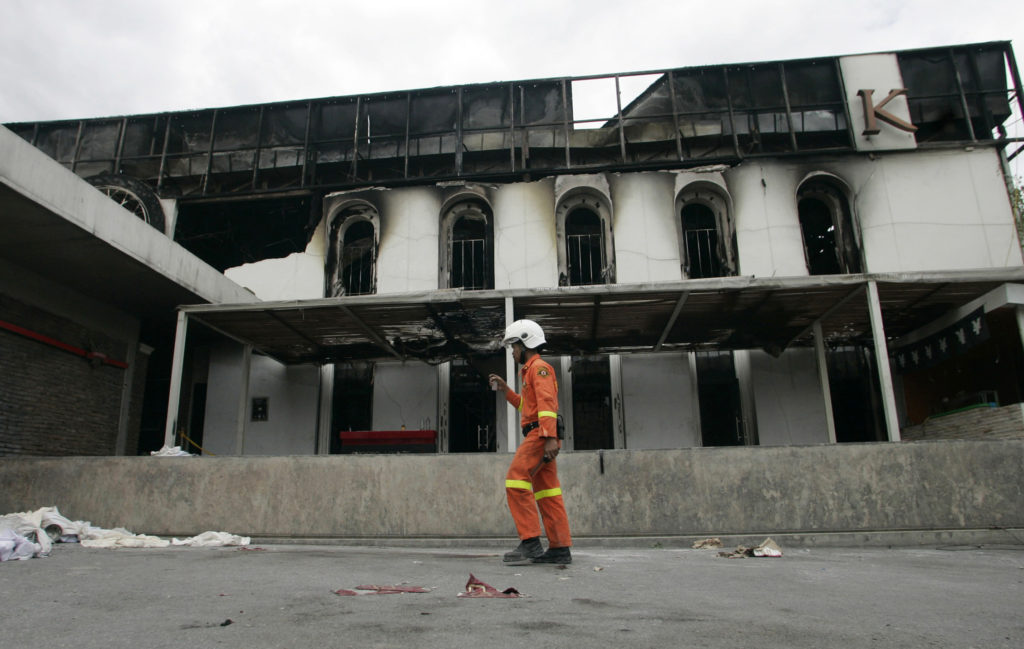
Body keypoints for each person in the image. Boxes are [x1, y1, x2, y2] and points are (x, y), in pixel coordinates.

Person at [488, 319, 572, 565]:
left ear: (525, 343)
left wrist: (548, 438)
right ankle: (559, 548)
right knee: (547, 492)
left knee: (515, 480)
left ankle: (530, 542)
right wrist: (507, 391)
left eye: (514, 346)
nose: (513, 352)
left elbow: (547, 405)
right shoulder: (529, 371)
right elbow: (529, 408)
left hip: (540, 436)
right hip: (540, 433)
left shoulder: (539, 368)